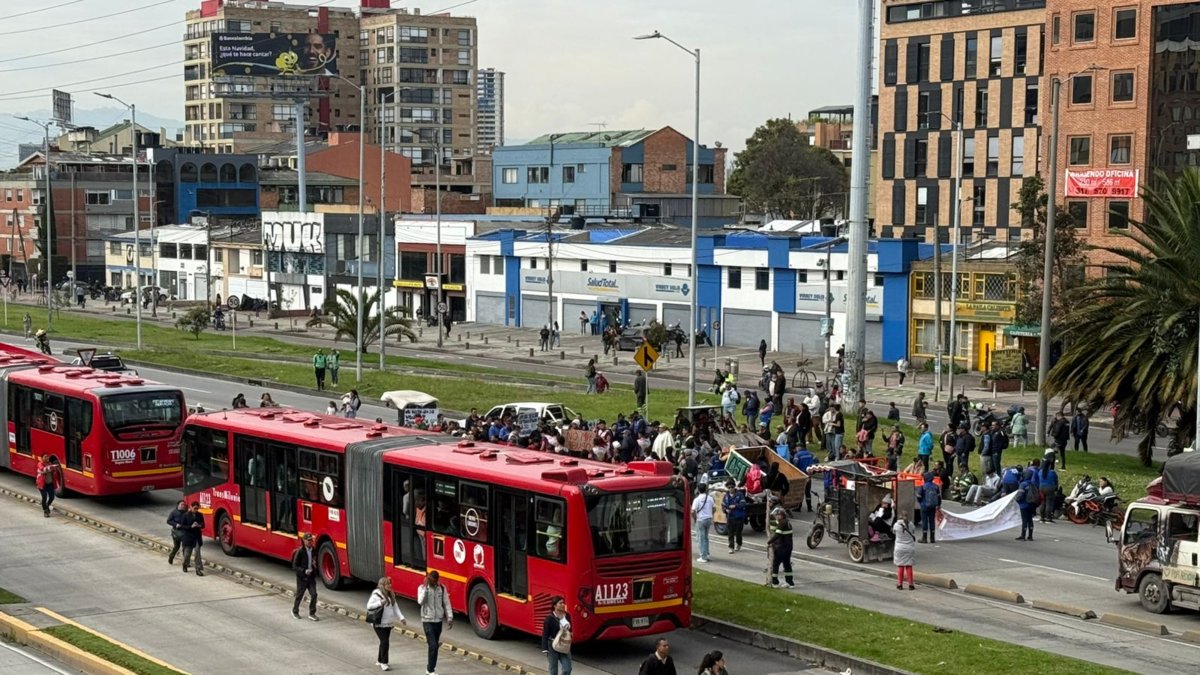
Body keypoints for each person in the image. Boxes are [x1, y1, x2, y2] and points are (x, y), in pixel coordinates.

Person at [367, 577, 406, 671]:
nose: (389, 585)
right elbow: (369, 606)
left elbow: (395, 607)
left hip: (388, 623)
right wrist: (380, 603)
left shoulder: (391, 594)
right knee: (385, 642)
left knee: (383, 641)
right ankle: (384, 663)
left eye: (390, 583)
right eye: (387, 584)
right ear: (382, 585)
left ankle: (380, 660)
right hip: (379, 623)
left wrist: (401, 618)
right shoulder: (376, 594)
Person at [418, 571, 453, 675]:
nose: (436, 582)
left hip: (438, 620)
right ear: (429, 578)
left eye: (437, 580)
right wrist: (427, 589)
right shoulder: (422, 588)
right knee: (433, 645)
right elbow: (420, 601)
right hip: (427, 620)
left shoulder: (441, 588)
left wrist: (450, 617)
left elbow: (446, 603)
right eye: (433, 580)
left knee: (434, 646)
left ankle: (430, 669)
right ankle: (430, 670)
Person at [540, 596, 572, 675]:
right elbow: (545, 634)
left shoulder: (567, 615)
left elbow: (571, 629)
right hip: (552, 645)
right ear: (555, 605)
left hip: (564, 645)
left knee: (567, 669)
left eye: (563, 603)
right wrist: (545, 649)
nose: (563, 604)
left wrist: (570, 634)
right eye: (560, 603)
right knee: (553, 670)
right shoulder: (549, 619)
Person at [291, 533, 319, 619]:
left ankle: (312, 613)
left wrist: (315, 566)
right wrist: (304, 571)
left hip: (311, 577)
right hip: (302, 578)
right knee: (299, 595)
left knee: (314, 594)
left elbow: (315, 560)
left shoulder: (313, 550)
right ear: (304, 541)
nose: (310, 542)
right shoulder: (300, 551)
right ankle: (295, 611)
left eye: (311, 540)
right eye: (309, 540)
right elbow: (294, 566)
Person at [767, 507, 795, 588]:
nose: (776, 517)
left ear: (782, 515)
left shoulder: (782, 523)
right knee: (787, 564)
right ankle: (790, 582)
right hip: (788, 547)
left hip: (781, 547)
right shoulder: (787, 522)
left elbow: (777, 535)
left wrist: (769, 542)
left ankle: (775, 582)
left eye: (777, 515)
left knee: (776, 564)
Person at [180, 501, 205, 576]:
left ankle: (198, 569)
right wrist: (191, 526)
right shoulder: (185, 515)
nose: (196, 510)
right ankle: (185, 564)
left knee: (197, 553)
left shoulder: (200, 515)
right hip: (188, 537)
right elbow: (182, 526)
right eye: (195, 508)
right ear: (191, 507)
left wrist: (199, 525)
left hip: (197, 537)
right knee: (187, 554)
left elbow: (203, 524)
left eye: (197, 508)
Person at [893, 511, 917, 590]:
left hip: (899, 548)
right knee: (909, 566)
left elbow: (893, 532)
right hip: (909, 548)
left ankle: (900, 584)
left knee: (901, 566)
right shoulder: (911, 524)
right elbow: (913, 532)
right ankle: (911, 584)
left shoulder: (896, 525)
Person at [691, 483, 714, 563]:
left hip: (701, 519)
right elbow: (713, 508)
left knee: (701, 538)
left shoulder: (697, 499)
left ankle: (703, 556)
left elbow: (693, 511)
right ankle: (707, 554)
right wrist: (711, 514)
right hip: (708, 518)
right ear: (706, 489)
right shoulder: (710, 498)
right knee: (706, 537)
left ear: (698, 489)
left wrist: (695, 518)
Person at [722, 482, 747, 553]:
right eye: (729, 487)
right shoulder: (726, 496)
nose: (730, 489)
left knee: (738, 532)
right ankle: (731, 547)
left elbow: (743, 504)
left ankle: (739, 543)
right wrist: (725, 510)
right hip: (730, 517)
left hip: (739, 517)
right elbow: (723, 505)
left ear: (734, 487)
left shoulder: (739, 495)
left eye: (732, 487)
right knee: (730, 533)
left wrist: (735, 505)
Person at [917, 471, 941, 543]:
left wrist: (920, 502)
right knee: (931, 521)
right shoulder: (936, 486)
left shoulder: (923, 486)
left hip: (924, 506)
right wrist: (938, 505)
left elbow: (919, 496)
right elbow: (939, 497)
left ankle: (924, 538)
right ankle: (932, 538)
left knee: (924, 521)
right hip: (933, 506)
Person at [1015, 476, 1038, 541]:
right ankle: (1030, 536)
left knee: (1024, 520)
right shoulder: (1033, 484)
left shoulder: (1023, 484)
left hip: (1024, 505)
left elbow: (1019, 495)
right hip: (1032, 504)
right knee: (1030, 520)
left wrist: (1017, 500)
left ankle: (1023, 535)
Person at [1038, 459, 1059, 523]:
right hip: (1050, 488)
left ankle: (1042, 517)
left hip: (1041, 487)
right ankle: (1048, 518)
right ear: (1049, 466)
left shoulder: (1040, 471)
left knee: (1042, 502)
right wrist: (1056, 489)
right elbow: (1056, 481)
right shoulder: (1052, 472)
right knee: (1049, 503)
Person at [167, 499, 187, 564]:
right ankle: (171, 557)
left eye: (184, 505)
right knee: (176, 547)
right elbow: (168, 521)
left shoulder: (186, 512)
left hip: (185, 532)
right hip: (176, 532)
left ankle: (186, 562)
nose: (183, 506)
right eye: (182, 504)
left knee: (185, 547)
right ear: (178, 505)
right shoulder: (173, 512)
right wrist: (175, 524)